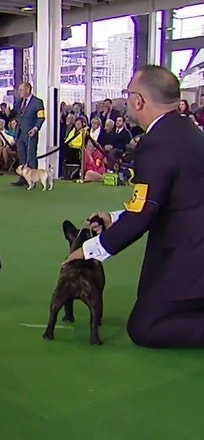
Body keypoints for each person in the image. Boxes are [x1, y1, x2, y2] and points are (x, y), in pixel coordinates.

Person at [63, 65, 204, 348]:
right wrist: (114, 218)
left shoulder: (156, 143)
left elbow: (143, 215)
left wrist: (88, 250)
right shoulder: (188, 130)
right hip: (193, 246)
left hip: (190, 256)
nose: (126, 101)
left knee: (145, 327)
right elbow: (159, 201)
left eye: (128, 94)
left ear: (139, 100)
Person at [11, 82, 46, 186]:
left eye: (21, 90)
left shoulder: (38, 102)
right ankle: (23, 178)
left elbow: (41, 117)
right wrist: (14, 121)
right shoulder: (19, 102)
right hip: (20, 133)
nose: (19, 92)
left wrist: (35, 128)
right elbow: (17, 115)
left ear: (28, 90)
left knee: (31, 156)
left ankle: (33, 179)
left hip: (31, 133)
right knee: (22, 156)